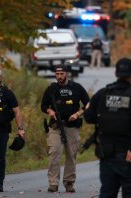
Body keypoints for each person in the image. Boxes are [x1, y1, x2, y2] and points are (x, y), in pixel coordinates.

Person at [84, 58, 131, 197]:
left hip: (107, 154)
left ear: (116, 73)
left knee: (107, 193)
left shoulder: (102, 94)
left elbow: (88, 117)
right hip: (130, 156)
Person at [41, 65, 89, 193]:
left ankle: (69, 182)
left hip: (72, 126)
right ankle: (53, 183)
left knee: (71, 155)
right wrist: (50, 111)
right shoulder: (51, 89)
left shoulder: (77, 88)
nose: (59, 76)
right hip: (56, 126)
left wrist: (77, 114)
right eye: (57, 74)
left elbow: (88, 104)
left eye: (61, 74)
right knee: (54, 153)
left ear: (66, 74)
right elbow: (43, 105)